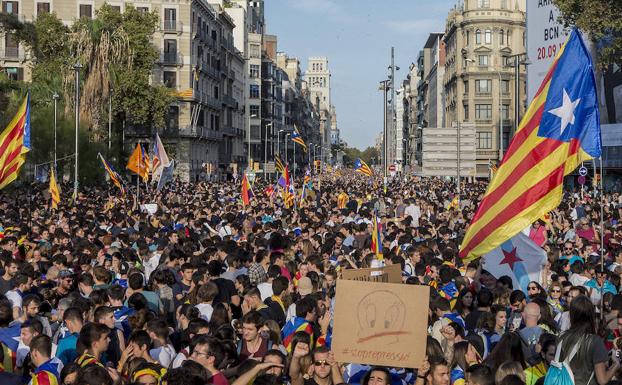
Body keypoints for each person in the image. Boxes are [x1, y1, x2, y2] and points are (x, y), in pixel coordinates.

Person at [556, 295, 619, 385]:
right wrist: (616, 364)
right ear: (591, 316)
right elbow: (602, 380)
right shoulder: (594, 341)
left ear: (572, 315)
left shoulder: (561, 338)